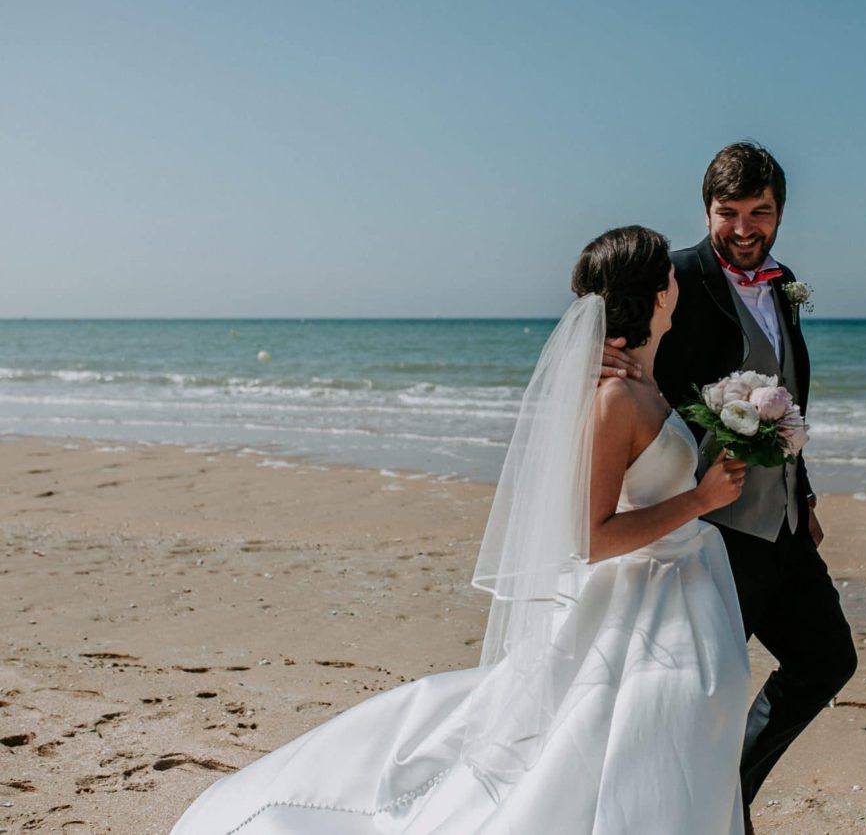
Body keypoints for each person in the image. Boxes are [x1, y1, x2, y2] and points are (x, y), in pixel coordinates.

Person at [171, 225, 753, 834]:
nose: (678, 280)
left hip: (676, 592)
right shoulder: (615, 400)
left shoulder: (646, 381)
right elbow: (592, 538)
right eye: (670, 272)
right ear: (658, 294)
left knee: (670, 736)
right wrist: (701, 499)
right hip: (639, 602)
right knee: (638, 738)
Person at [603, 143, 857, 832]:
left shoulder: (785, 282)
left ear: (779, 213)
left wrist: (799, 492)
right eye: (729, 213)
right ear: (707, 211)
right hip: (711, 531)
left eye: (760, 213)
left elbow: (786, 392)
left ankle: (723, 795)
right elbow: (623, 338)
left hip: (781, 523)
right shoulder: (679, 275)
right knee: (702, 694)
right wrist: (611, 363)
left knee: (827, 659)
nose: (744, 229)